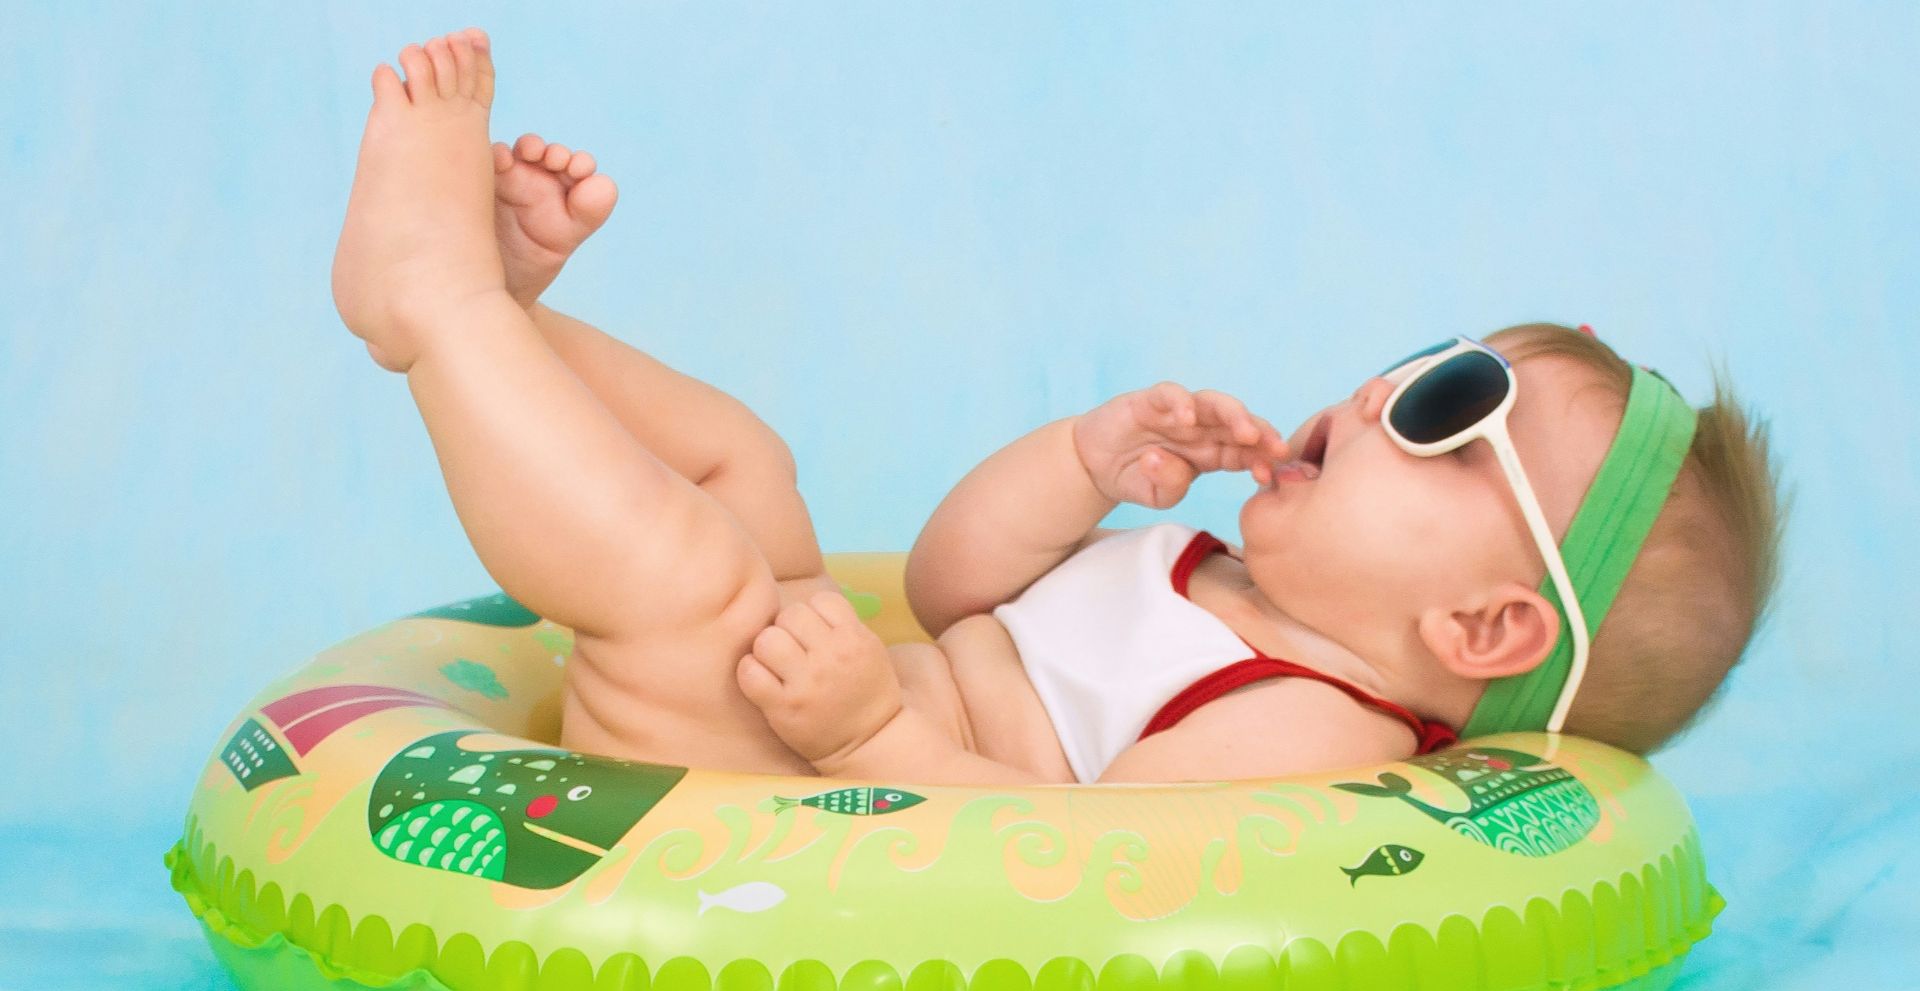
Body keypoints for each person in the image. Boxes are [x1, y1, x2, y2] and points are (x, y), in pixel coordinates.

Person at [331, 27, 1787, 786]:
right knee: (746, 465)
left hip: (774, 775)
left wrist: (861, 742)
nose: (1382, 385)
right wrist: (1085, 462)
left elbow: (1070, 858)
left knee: (691, 577)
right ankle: (512, 312)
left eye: (1445, 411)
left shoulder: (1305, 729)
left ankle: (435, 309)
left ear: (1482, 629)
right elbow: (955, 584)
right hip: (825, 697)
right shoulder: (1203, 574)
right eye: (1426, 355)